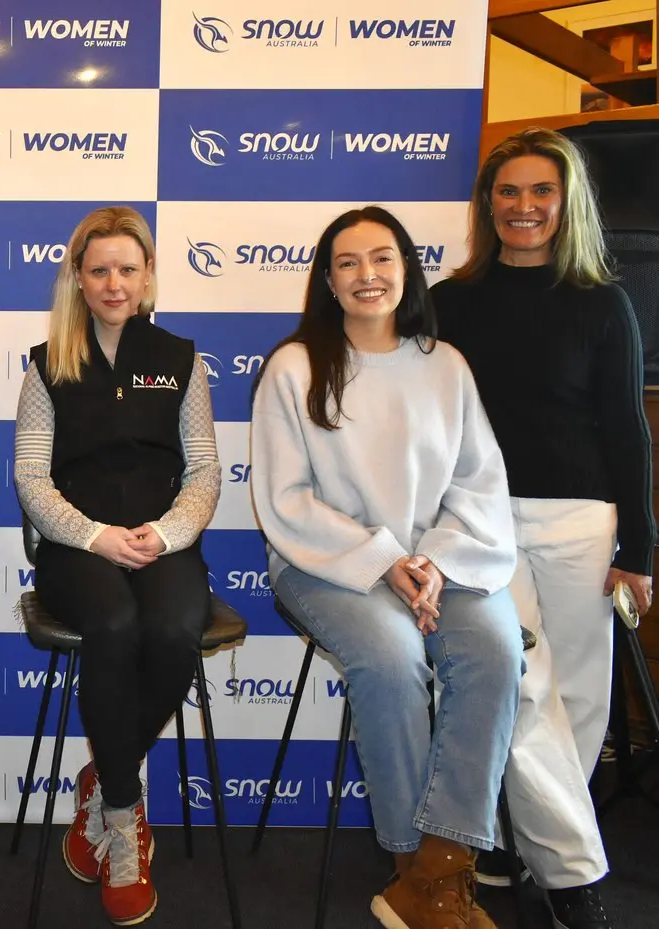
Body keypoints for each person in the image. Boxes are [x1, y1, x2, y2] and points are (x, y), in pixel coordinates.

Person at [250, 207, 525, 929]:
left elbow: (477, 483)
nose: (366, 275)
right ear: (326, 278)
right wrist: (383, 559)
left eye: (381, 258)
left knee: (495, 652)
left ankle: (440, 869)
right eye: (347, 262)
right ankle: (410, 861)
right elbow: (286, 499)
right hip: (326, 564)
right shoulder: (293, 366)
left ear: (406, 268)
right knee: (391, 651)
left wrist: (429, 559)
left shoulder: (445, 364)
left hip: (444, 561)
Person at [432, 127, 654, 929]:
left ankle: (519, 842)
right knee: (518, 688)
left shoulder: (604, 303)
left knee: (578, 698)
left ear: (565, 204)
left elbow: (627, 429)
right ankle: (573, 874)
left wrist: (638, 551)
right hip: (481, 524)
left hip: (579, 522)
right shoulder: (449, 301)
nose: (522, 207)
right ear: (486, 204)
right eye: (507, 192)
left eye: (539, 192)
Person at [14, 206, 221, 926]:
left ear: (147, 277)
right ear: (77, 276)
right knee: (112, 622)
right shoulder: (47, 363)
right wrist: (95, 535)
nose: (112, 282)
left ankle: (105, 778)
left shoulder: (181, 358)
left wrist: (164, 535)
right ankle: (126, 815)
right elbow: (31, 479)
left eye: (126, 269)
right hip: (78, 548)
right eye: (97, 269)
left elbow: (202, 469)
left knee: (170, 629)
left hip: (162, 540)